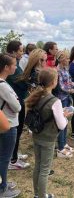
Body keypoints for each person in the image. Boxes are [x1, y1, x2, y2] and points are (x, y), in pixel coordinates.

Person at [25, 68, 70, 198]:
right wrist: (65, 116)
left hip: (36, 136)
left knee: (38, 166)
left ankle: (37, 194)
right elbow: (61, 125)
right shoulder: (55, 101)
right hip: (48, 138)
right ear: (53, 82)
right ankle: (42, 195)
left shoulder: (36, 95)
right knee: (45, 169)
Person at [6, 40, 30, 169]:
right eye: (21, 50)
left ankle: (13, 153)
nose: (22, 53)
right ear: (14, 51)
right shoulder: (11, 65)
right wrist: (28, 82)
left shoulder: (15, 63)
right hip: (16, 100)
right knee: (17, 128)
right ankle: (13, 160)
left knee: (19, 129)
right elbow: (21, 82)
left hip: (19, 98)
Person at [0, 53, 21, 198]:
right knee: (4, 157)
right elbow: (17, 106)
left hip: (4, 123)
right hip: (8, 124)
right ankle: (2, 188)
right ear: (6, 67)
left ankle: (4, 182)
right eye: (14, 64)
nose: (16, 67)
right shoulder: (3, 86)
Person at [56, 51, 74, 158]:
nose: (68, 60)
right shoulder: (58, 70)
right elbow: (60, 86)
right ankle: (60, 148)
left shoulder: (65, 69)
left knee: (66, 121)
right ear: (61, 59)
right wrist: (70, 89)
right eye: (66, 58)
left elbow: (68, 80)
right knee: (61, 123)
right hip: (62, 99)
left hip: (67, 98)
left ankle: (64, 143)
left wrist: (71, 83)